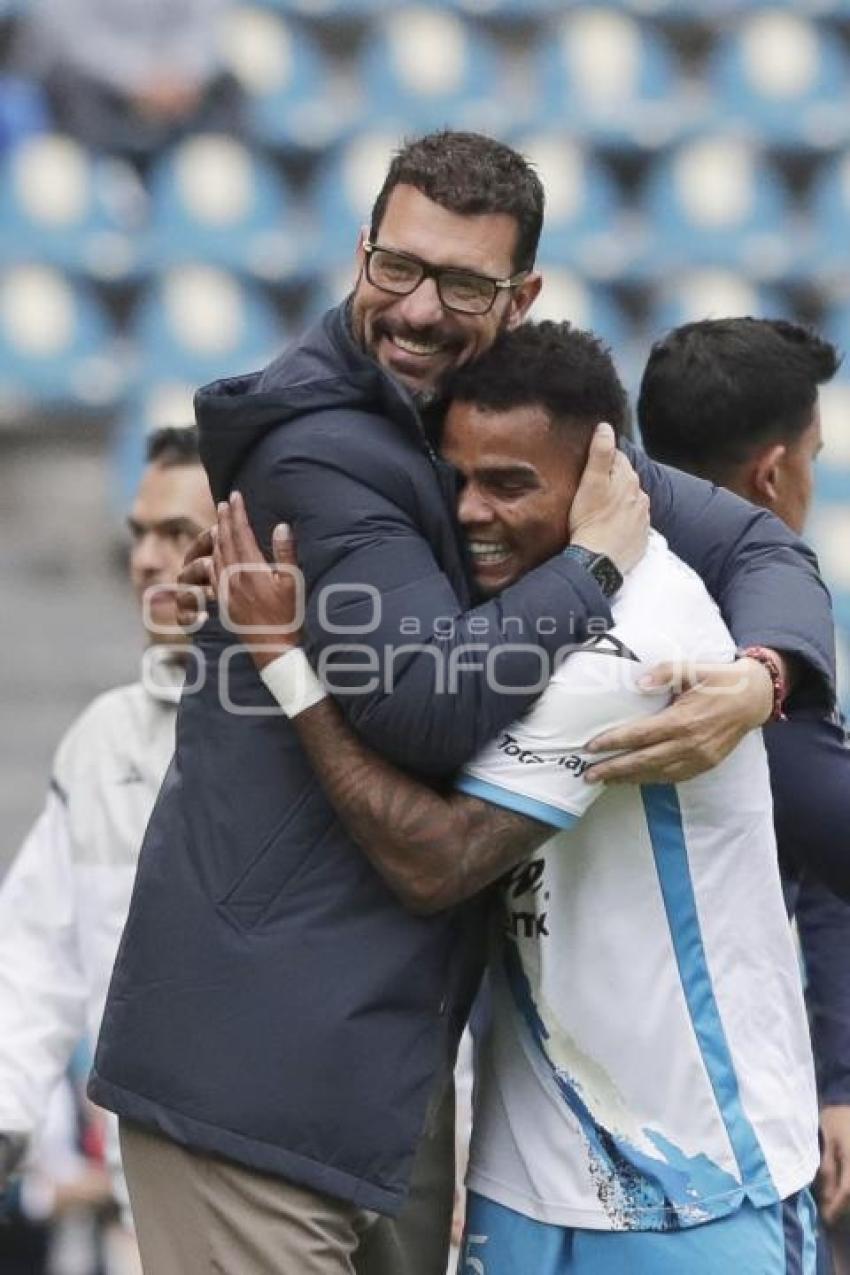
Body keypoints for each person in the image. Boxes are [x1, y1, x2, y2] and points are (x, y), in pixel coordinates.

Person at [90, 131, 835, 1274]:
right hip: (256, 1073)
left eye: (464, 283)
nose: (420, 309)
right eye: (397, 266)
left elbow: (753, 543)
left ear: (521, 293)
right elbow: (429, 707)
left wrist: (762, 677)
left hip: (387, 1075)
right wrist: (584, 567)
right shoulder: (321, 451)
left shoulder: (466, 424)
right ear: (360, 250)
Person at [209, 320, 822, 1273]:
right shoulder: (493, 622)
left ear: (599, 481)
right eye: (456, 478)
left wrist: (288, 664)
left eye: (509, 483)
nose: (468, 512)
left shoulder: (641, 639)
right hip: (524, 1185)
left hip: (698, 1188)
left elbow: (435, 860)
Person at [637, 316, 850, 1272]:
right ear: (773, 474)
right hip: (720, 1138)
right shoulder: (760, 662)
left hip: (542, 1127)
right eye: (812, 455)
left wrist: (841, 1077)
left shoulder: (556, 604)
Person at [0, 426, 214, 1210]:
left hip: (313, 1206)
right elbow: (31, 956)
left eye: (177, 534)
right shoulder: (100, 739)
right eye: (139, 534)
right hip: (148, 1207)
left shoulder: (329, 727)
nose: (148, 558)